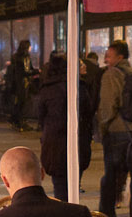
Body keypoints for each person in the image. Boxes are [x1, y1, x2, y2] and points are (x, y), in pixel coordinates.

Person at [33, 53, 96, 201]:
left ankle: (63, 215)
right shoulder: (79, 88)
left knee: (60, 186)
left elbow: (40, 117)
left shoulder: (48, 89)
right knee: (74, 185)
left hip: (55, 146)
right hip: (77, 143)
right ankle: (71, 215)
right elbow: (88, 114)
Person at [95, 41, 132, 217]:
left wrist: (102, 128)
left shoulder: (111, 74)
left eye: (109, 55)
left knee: (110, 180)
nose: (106, 59)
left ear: (119, 57)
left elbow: (108, 106)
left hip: (117, 132)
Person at [5, 42, 39, 130]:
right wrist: (35, 72)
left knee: (23, 103)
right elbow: (22, 72)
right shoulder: (19, 58)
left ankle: (19, 121)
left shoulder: (26, 57)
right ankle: (19, 121)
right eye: (29, 46)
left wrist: (35, 71)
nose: (31, 47)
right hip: (20, 84)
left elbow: (29, 68)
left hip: (25, 83)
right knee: (21, 103)